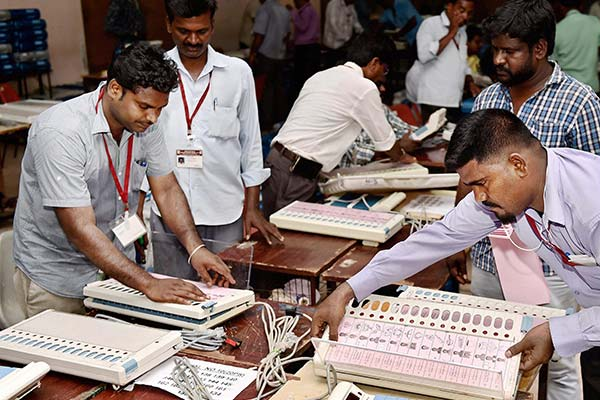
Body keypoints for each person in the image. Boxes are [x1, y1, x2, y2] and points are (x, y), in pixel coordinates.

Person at [311, 109, 600, 400]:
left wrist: (558, 332)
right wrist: (350, 288)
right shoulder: (508, 192)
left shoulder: (593, 205)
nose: (478, 197)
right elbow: (436, 239)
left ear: (518, 165)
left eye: (481, 183)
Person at [12, 42, 235, 319]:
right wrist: (148, 283)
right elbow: (79, 228)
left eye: (160, 108)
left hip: (115, 275)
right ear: (115, 89)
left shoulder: (144, 123)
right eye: (144, 106)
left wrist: (196, 248)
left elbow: (165, 189)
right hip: (59, 280)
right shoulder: (62, 132)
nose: (153, 117)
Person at [446, 1, 600, 396]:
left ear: (539, 48)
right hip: (488, 256)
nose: (497, 59)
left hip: (552, 265)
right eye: (494, 49)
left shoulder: (580, 104)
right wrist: (455, 241)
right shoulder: (487, 100)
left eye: (509, 51)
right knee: (490, 353)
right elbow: (469, 177)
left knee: (559, 360)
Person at [138, 0, 282, 280]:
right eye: (183, 31)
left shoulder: (237, 73)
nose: (193, 40)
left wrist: (252, 207)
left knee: (227, 297)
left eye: (202, 31)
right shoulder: (154, 74)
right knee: (173, 297)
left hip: (225, 211)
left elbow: (251, 143)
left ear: (212, 27)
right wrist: (138, 205)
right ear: (168, 25)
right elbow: (140, 143)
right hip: (167, 213)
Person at [262, 34, 415, 218]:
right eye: (385, 70)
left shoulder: (323, 75)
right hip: (296, 173)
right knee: (287, 237)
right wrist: (405, 158)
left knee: (273, 232)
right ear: (374, 63)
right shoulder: (364, 87)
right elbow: (387, 144)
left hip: (278, 161)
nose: (383, 78)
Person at [405, 0, 479, 123]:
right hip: (433, 99)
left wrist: (470, 81)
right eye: (461, 11)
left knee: (449, 138)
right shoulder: (430, 25)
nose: (465, 16)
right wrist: (451, 32)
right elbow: (423, 56)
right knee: (431, 139)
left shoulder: (462, 32)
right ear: (449, 6)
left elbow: (462, 62)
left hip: (454, 99)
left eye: (469, 13)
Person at [249, 0, 291, 131]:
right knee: (278, 88)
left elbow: (259, 35)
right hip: (280, 55)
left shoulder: (265, 9)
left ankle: (265, 122)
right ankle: (278, 120)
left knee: (265, 89)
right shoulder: (284, 10)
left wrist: (252, 54)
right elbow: (287, 35)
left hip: (266, 55)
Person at [552, 0, 600, 92]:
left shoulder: (557, 30)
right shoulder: (595, 22)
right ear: (581, 6)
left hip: (568, 88)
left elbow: (553, 63)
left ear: (561, 8)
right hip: (592, 86)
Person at [291, 0, 320, 99]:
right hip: (310, 48)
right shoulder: (310, 10)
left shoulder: (307, 11)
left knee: (302, 79)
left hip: (306, 48)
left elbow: (303, 26)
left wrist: (293, 13)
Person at [323, 0, 364, 67]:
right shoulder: (334, 4)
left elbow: (355, 22)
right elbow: (333, 25)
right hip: (333, 46)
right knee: (332, 68)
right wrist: (347, 38)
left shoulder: (351, 6)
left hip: (345, 45)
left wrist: (362, 32)